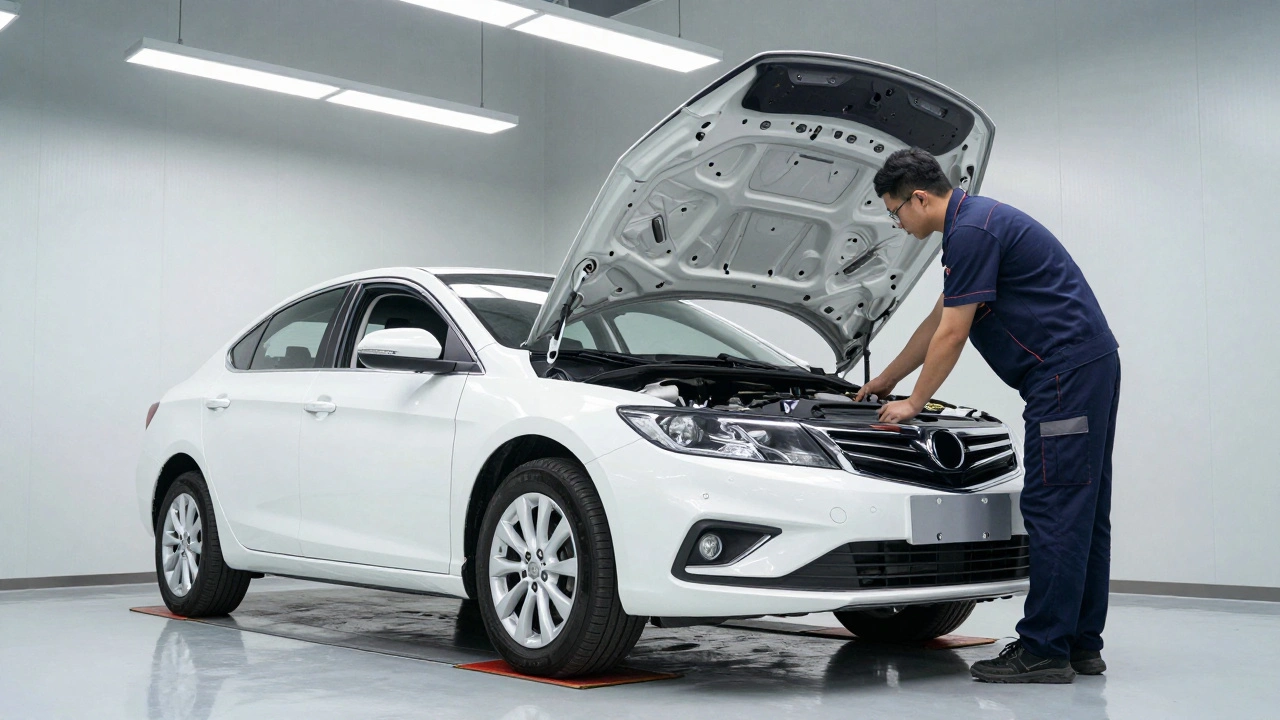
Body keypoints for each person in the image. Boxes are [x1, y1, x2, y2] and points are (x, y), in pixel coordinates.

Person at [856, 148, 1121, 684]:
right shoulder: (978, 223)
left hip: (1064, 379)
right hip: (1084, 370)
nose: (897, 223)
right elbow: (939, 318)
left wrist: (912, 404)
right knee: (1083, 511)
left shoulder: (973, 231)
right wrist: (887, 378)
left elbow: (954, 334)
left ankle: (1044, 649)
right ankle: (1078, 646)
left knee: (1055, 508)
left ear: (919, 198)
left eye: (895, 212)